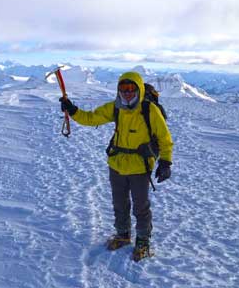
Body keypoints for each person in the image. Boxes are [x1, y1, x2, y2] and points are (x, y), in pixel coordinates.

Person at [59, 71, 173, 261]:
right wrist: (72, 110)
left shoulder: (149, 110)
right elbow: (91, 118)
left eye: (131, 89)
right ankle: (123, 235)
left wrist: (166, 162)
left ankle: (143, 242)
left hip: (140, 167)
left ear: (138, 89)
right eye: (123, 89)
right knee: (119, 204)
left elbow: (164, 138)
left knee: (141, 207)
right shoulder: (116, 108)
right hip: (117, 165)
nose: (127, 93)